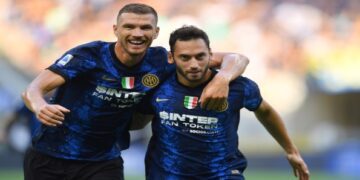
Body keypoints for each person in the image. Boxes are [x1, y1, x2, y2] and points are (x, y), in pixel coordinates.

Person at [21, 3, 249, 180]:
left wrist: (223, 78)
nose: (137, 33)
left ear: (156, 32)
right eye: (129, 26)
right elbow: (33, 89)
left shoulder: (162, 60)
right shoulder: (89, 56)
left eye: (145, 27)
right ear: (116, 30)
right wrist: (40, 105)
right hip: (49, 156)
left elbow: (236, 58)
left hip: (102, 161)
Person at [133, 25, 310, 180]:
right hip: (167, 174)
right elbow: (137, 121)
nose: (194, 64)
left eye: (200, 56)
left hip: (222, 173)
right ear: (171, 58)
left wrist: (291, 151)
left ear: (210, 55)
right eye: (185, 58)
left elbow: (265, 112)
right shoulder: (158, 84)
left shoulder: (238, 87)